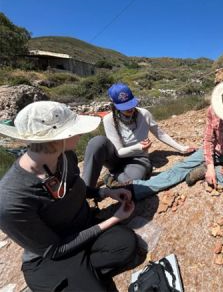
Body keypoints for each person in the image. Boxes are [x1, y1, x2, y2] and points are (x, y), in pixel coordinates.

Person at [0, 101, 137, 291]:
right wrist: (114, 219)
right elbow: (53, 250)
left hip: (81, 228)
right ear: (59, 138)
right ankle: (75, 279)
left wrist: (106, 192)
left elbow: (75, 188)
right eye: (75, 129)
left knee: (125, 245)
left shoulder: (66, 156)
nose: (80, 133)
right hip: (52, 256)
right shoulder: (11, 199)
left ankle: (78, 278)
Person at [132, 77, 223, 200]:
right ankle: (136, 189)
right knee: (181, 168)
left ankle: (207, 171)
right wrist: (211, 164)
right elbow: (208, 140)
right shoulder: (213, 110)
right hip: (217, 151)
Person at [82, 83, 195, 188]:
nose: (130, 109)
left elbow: (160, 134)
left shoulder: (144, 114)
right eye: (124, 107)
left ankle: (112, 175)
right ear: (114, 105)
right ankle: (86, 190)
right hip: (116, 157)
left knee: (133, 182)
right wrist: (139, 147)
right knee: (96, 142)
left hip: (138, 158)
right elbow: (119, 152)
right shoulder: (108, 120)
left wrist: (182, 148)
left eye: (130, 104)